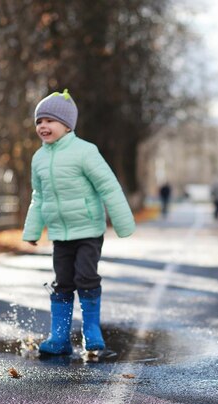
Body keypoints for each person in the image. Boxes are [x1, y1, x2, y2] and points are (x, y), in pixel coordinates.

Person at [23, 89, 136, 356]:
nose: (43, 126)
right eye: (39, 121)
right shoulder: (38, 159)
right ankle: (59, 338)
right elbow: (38, 197)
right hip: (60, 233)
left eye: (49, 120)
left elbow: (108, 186)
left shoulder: (85, 151)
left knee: (85, 277)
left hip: (88, 230)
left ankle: (92, 332)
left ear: (66, 125)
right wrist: (32, 229)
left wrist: (123, 223)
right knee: (62, 282)